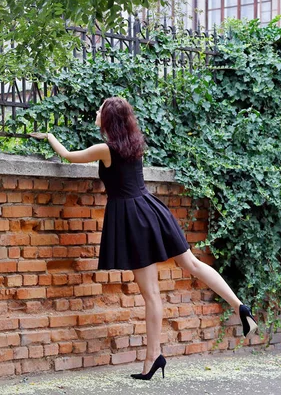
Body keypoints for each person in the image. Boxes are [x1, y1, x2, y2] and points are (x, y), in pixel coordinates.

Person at [29, 97, 257, 380]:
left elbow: (69, 156)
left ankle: (152, 358)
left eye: (100, 110)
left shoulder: (106, 149)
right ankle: (240, 306)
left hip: (132, 220)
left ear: (108, 120)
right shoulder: (134, 146)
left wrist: (50, 136)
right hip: (153, 211)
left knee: (151, 295)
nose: (96, 112)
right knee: (194, 265)